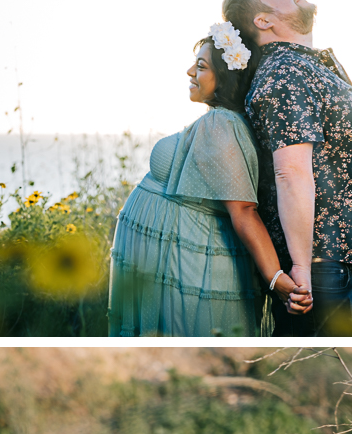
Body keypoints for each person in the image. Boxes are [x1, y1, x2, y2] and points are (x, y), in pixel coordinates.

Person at [222, 0, 352, 337]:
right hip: (319, 267)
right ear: (263, 20)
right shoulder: (285, 71)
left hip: (329, 261)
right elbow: (291, 172)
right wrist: (301, 267)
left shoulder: (297, 66)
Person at [108, 26, 312, 337]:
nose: (190, 71)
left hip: (185, 266)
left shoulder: (221, 123)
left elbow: (243, 209)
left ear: (225, 78)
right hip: (170, 261)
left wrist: (275, 279)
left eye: (201, 66)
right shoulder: (220, 121)